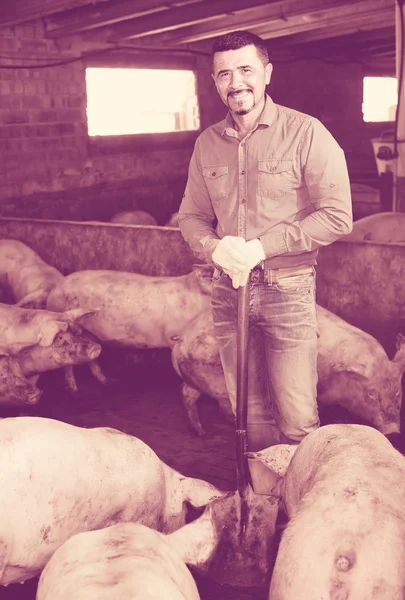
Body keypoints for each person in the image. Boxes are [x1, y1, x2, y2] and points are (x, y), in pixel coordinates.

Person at [178, 30, 352, 491]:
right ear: (216, 82)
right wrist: (214, 247)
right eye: (224, 74)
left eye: (246, 70)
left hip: (287, 288)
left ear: (267, 73)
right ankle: (261, 509)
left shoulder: (306, 133)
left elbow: (337, 217)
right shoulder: (207, 145)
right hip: (227, 290)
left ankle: (304, 508)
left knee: (296, 417)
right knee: (249, 414)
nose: (236, 82)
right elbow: (191, 216)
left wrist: (263, 246)